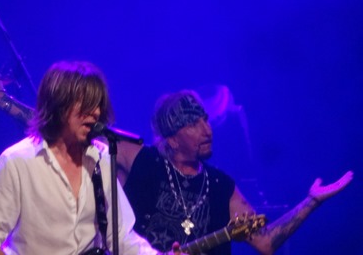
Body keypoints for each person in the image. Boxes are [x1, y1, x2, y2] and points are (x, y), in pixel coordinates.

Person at [0, 61, 171, 255]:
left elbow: (121, 237)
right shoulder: (17, 161)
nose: (95, 112)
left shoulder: (101, 159)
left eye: (98, 105)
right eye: (87, 104)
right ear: (59, 105)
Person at [117, 90, 354, 255]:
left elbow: (265, 242)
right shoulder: (141, 160)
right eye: (194, 124)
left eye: (206, 120)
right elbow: (95, 146)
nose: (207, 130)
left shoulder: (220, 186)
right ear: (172, 139)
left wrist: (312, 201)